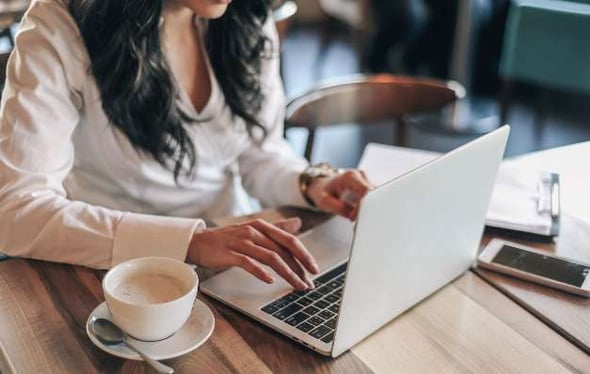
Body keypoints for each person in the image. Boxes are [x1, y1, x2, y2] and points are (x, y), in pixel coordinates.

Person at [0, 0, 372, 291]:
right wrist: (189, 241)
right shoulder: (60, 24)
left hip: (235, 256)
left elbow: (259, 155)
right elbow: (17, 211)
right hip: (113, 270)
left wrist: (312, 182)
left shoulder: (245, 16)